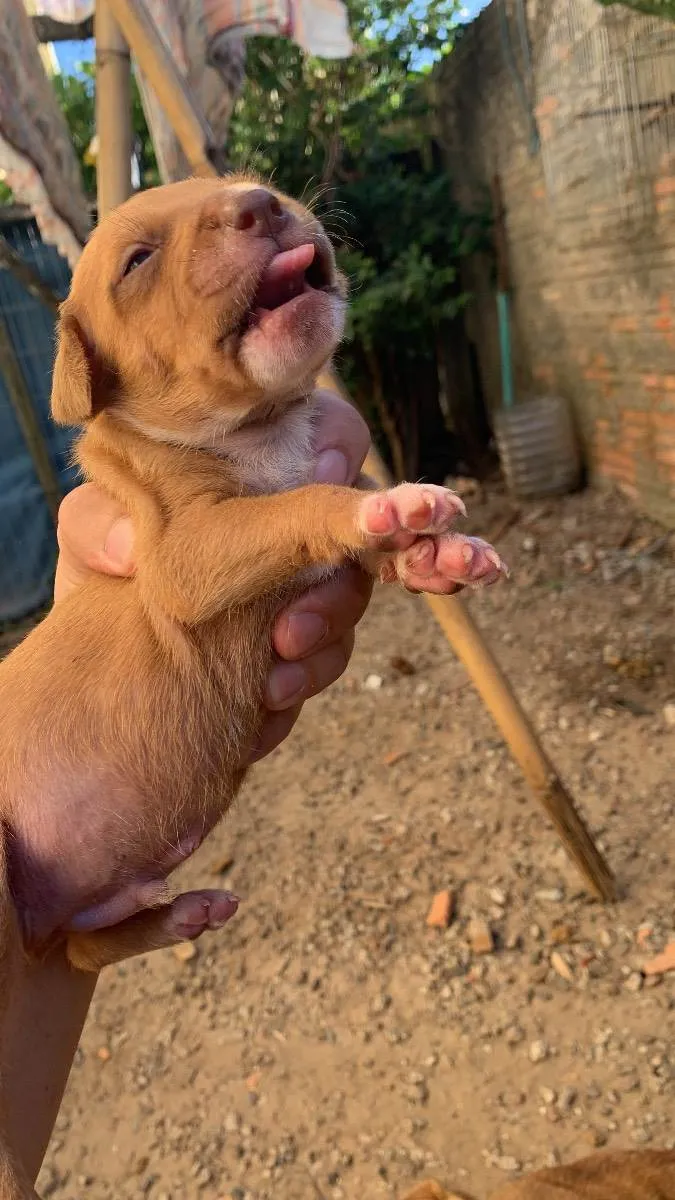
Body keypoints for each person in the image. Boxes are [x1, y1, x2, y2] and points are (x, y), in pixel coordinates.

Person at [1, 389, 375, 1184]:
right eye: (140, 260)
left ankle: (100, 929)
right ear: (84, 360)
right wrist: (337, 518)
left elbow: (31, 931)